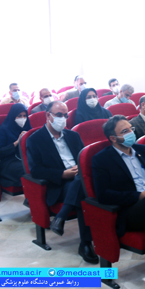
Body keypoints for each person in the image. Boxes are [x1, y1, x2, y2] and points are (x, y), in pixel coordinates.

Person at [26, 101, 97, 264]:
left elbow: (84, 159)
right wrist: (62, 174)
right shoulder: (35, 139)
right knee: (83, 194)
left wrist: (80, 168)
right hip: (58, 185)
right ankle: (86, 243)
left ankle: (61, 216)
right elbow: (35, 170)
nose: (63, 119)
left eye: (65, 115)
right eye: (59, 115)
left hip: (79, 178)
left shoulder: (73, 136)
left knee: (81, 181)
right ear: (48, 115)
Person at [92, 115, 145, 237]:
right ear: (113, 138)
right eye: (125, 131)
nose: (131, 133)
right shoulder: (102, 159)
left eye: (131, 128)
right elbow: (103, 194)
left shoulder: (143, 150)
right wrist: (139, 196)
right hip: (131, 209)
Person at [0, 104, 32, 188]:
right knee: (29, 170)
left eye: (24, 116)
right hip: (9, 161)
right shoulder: (4, 129)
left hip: (26, 158)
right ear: (13, 116)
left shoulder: (27, 126)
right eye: (19, 116)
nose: (23, 118)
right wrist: (16, 142)